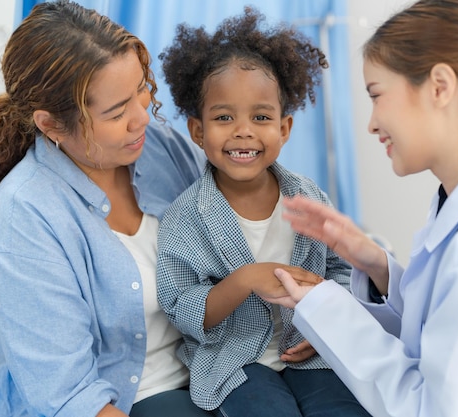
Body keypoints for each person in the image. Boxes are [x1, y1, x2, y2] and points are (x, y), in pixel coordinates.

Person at [262, 0, 458, 416]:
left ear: (439, 86)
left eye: (377, 96)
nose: (372, 123)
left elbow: (431, 409)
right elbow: (441, 334)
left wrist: (329, 309)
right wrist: (378, 265)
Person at [0, 1, 212, 416]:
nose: (142, 118)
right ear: (51, 125)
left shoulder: (162, 151)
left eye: (141, 90)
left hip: (203, 378)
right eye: (116, 113)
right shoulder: (22, 223)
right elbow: (73, 400)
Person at [155, 7, 370, 417]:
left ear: (284, 128)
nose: (243, 130)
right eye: (223, 117)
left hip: (311, 350)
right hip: (234, 363)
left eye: (261, 117)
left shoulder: (308, 197)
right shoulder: (184, 218)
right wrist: (245, 280)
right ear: (197, 130)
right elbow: (182, 308)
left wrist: (329, 318)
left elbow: (342, 271)